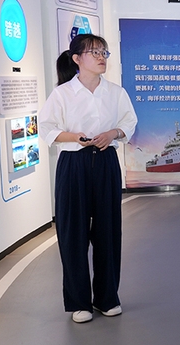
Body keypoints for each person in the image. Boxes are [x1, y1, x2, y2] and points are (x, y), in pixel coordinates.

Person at [39, 34, 137, 323]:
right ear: (77, 59)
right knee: (73, 232)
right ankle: (79, 302)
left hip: (105, 161)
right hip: (74, 164)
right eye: (94, 52)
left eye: (103, 52)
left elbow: (129, 122)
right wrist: (74, 137)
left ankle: (107, 298)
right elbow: (45, 127)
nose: (101, 57)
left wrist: (113, 133)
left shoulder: (116, 92)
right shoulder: (62, 94)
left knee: (108, 230)